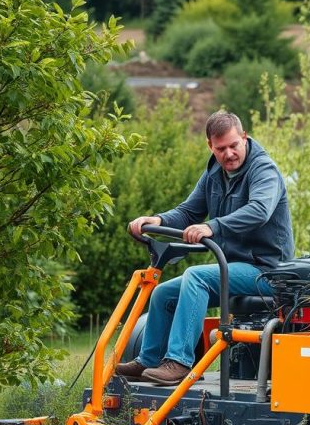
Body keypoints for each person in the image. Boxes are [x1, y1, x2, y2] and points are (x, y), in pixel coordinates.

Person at [115, 111, 294, 386]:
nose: (229, 153)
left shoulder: (263, 170)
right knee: (163, 293)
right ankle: (149, 360)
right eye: (221, 148)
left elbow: (259, 210)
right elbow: (189, 211)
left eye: (234, 145)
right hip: (234, 268)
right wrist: (158, 219)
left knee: (196, 276)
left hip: (267, 271)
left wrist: (214, 226)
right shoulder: (214, 173)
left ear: (244, 138)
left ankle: (179, 362)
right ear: (211, 146)